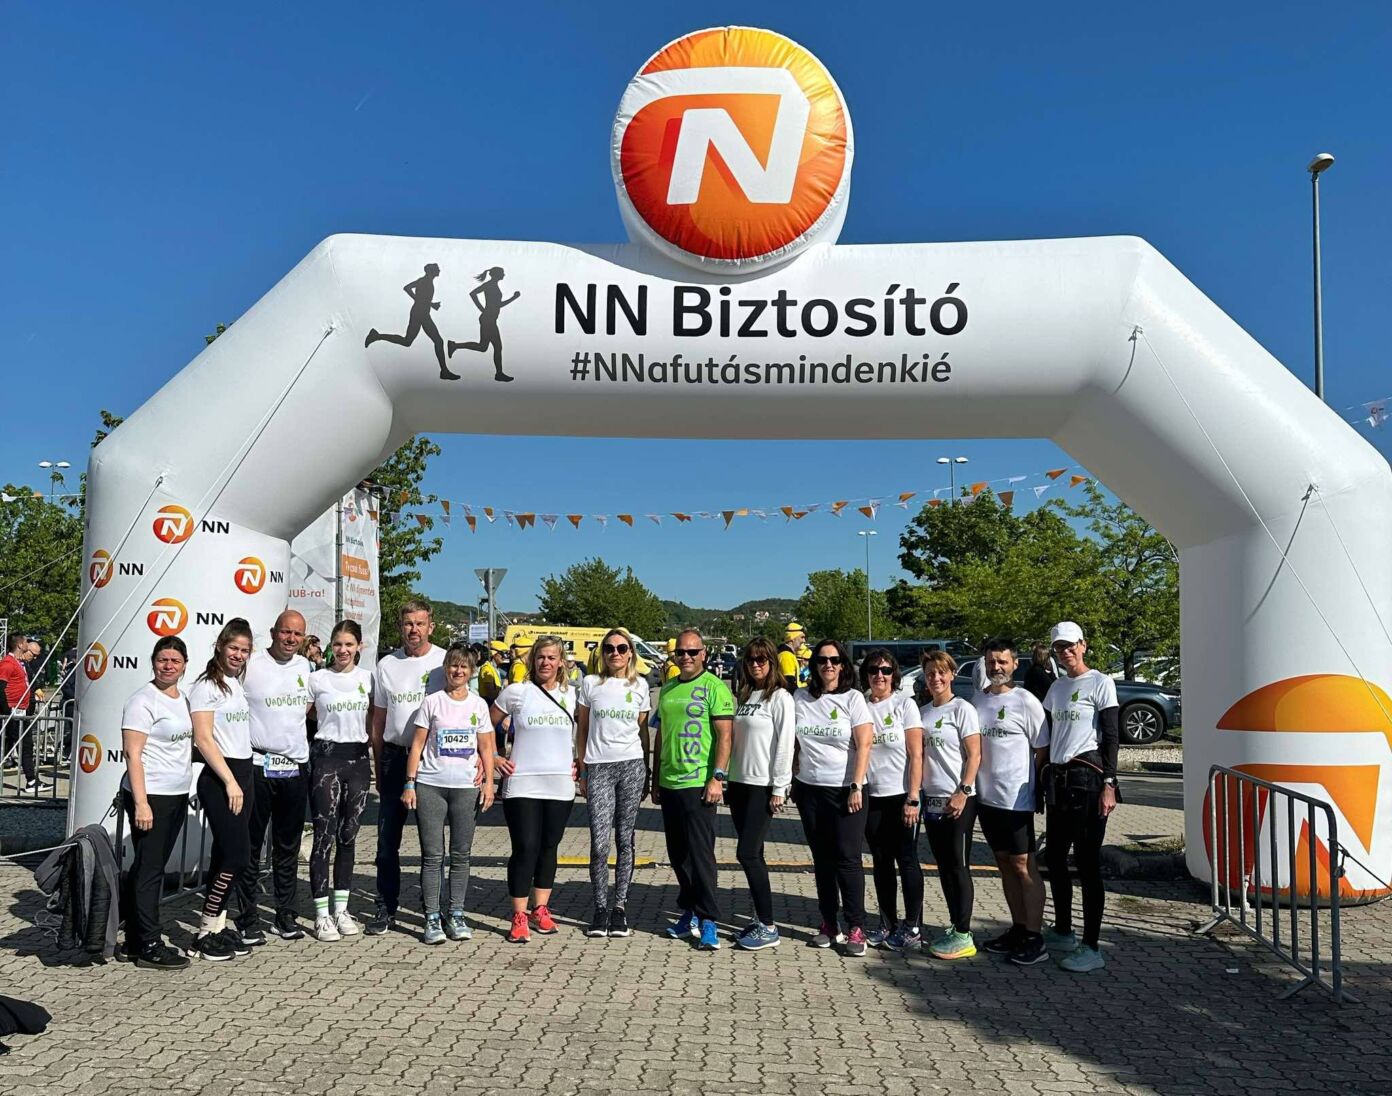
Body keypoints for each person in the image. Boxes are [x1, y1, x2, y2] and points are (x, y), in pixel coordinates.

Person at [1041, 621, 1121, 973]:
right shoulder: (1057, 687)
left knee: (1087, 863)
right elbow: (1048, 734)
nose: (1065, 652)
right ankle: (1063, 929)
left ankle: (1092, 946)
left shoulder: (1101, 682)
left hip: (1087, 779)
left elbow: (1111, 737)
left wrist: (1110, 783)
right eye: (1059, 647)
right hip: (1059, 780)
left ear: (1083, 645)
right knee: (1055, 857)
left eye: (1070, 645)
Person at [405, 645, 496, 945]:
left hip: (466, 788)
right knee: (433, 856)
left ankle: (456, 914)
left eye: (464, 667)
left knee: (461, 855)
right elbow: (417, 745)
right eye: (453, 666)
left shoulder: (478, 705)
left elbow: (486, 747)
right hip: (431, 785)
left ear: (471, 672)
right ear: (446, 668)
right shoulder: (432, 702)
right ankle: (432, 917)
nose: (458, 671)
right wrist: (410, 783)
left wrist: (489, 783)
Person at [490, 635, 578, 944]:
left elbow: (585, 732)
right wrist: (494, 756)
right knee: (525, 846)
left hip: (560, 783)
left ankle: (540, 909)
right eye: (541, 657)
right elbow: (485, 725)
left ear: (561, 662)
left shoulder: (572, 695)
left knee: (549, 846)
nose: (545, 662)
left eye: (552, 657)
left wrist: (580, 762)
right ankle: (518, 914)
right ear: (532, 660)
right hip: (522, 782)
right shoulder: (517, 692)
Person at [367, 599, 447, 935]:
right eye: (408, 623)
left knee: (433, 843)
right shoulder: (386, 665)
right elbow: (378, 720)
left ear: (431, 626)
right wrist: (378, 762)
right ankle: (385, 907)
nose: (414, 630)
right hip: (394, 757)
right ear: (400, 627)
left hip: (433, 760)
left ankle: (435, 910)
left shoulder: (443, 662)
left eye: (420, 623)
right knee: (387, 841)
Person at [651, 629, 732, 952]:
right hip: (670, 782)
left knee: (701, 855)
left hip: (699, 782)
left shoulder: (715, 687)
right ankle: (689, 912)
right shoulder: (668, 689)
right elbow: (660, 736)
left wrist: (717, 777)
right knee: (678, 854)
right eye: (680, 652)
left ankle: (709, 918)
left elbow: (725, 736)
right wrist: (655, 779)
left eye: (692, 652)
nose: (686, 657)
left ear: (704, 654)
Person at [971, 638, 1051, 966]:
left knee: (1023, 864)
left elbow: (1041, 748)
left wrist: (1032, 785)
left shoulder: (1026, 701)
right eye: (991, 662)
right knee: (1003, 863)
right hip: (986, 797)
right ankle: (1018, 928)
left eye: (1002, 661)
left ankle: (1035, 937)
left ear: (1015, 664)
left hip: (1015, 799)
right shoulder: (978, 700)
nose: (997, 667)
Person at [792, 639, 874, 956]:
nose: (828, 665)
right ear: (814, 664)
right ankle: (829, 923)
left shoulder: (853, 698)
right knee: (822, 859)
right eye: (823, 660)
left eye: (835, 660)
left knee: (848, 859)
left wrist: (856, 785)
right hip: (809, 789)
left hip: (845, 790)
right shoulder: (801, 698)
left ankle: (856, 927)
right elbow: (793, 740)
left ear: (843, 665)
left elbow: (864, 744)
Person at [238, 610, 314, 943]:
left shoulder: (306, 667)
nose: (290, 639)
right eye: (285, 632)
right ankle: (247, 916)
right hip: (258, 765)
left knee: (288, 846)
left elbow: (306, 709)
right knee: (251, 845)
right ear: (273, 632)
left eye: (297, 634)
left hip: (294, 768)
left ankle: (285, 914)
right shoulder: (251, 664)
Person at [120, 636, 194, 970]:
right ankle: (150, 944)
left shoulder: (183, 699)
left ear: (184, 665)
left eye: (175, 661)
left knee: (149, 867)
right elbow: (132, 754)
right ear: (153, 662)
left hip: (176, 794)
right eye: (163, 660)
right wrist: (141, 803)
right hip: (150, 795)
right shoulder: (142, 700)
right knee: (150, 871)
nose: (168, 666)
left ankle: (134, 938)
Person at [188, 619, 256, 961]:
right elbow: (203, 738)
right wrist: (229, 781)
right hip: (221, 777)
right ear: (220, 646)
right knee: (236, 856)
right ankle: (203, 932)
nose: (238, 655)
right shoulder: (206, 686)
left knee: (224, 855)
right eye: (233, 648)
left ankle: (217, 926)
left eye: (244, 650)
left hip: (244, 771)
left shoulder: (234, 683)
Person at [575, 628, 650, 938]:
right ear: (602, 653)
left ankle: (619, 907)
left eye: (621, 648)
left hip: (631, 765)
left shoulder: (641, 685)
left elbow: (643, 732)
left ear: (630, 652)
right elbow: (582, 728)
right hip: (599, 767)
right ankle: (600, 907)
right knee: (599, 842)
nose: (615, 653)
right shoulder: (591, 683)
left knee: (625, 839)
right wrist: (582, 768)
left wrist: (647, 770)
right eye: (609, 648)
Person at [305, 620, 374, 942]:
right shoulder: (317, 679)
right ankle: (321, 915)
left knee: (349, 835)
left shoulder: (368, 679)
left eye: (349, 644)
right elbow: (304, 715)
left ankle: (341, 909)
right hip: (326, 759)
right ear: (330, 647)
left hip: (358, 760)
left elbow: (374, 719)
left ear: (359, 646)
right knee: (324, 836)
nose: (343, 650)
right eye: (337, 644)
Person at [727, 635, 794, 951]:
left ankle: (768, 925)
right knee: (756, 854)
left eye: (762, 659)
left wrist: (780, 786)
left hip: (762, 786)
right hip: (738, 784)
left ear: (772, 662)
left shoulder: (780, 698)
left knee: (747, 853)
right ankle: (758, 919)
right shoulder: (745, 695)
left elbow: (785, 743)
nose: (755, 664)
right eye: (751, 659)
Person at [918, 650, 982, 960]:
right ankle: (955, 926)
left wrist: (963, 791)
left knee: (958, 865)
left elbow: (975, 754)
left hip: (958, 800)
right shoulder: (922, 712)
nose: (936, 678)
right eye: (931, 673)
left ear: (952, 674)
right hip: (932, 800)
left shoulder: (962, 709)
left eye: (942, 672)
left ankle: (964, 933)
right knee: (943, 866)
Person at [860, 649, 925, 951]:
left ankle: (913, 927)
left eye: (886, 670)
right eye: (874, 670)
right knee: (881, 862)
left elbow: (916, 754)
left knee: (907, 859)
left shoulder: (904, 704)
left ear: (894, 675)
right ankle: (888, 923)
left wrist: (913, 797)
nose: (879, 675)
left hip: (901, 795)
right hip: (872, 796)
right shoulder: (860, 704)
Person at [365, 262, 458, 380]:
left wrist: (430, 304)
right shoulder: (424, 281)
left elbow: (418, 295)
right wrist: (425, 303)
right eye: (437, 269)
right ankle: (444, 371)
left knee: (408, 341)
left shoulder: (426, 281)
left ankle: (377, 336)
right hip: (420, 314)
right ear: (431, 271)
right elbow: (407, 288)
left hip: (421, 313)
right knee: (437, 341)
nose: (439, 270)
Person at [446, 266, 519, 382]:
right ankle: (499, 374)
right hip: (488, 320)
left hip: (489, 319)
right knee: (497, 347)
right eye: (502, 273)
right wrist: (482, 309)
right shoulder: (490, 285)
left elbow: (497, 304)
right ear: (497, 275)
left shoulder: (493, 285)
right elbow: (473, 294)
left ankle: (454, 345)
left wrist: (513, 298)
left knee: (483, 347)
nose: (504, 275)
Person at [0, 634, 44, 792]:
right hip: (12, 712)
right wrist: (7, 711)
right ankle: (31, 780)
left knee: (25, 745)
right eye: (26, 642)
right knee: (9, 746)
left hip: (21, 711)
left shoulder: (20, 663)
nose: (28, 643)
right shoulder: (8, 663)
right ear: (19, 645)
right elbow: (1, 688)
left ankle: (31, 780)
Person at [777, 622, 807, 690]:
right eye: (802, 637)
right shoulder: (786, 656)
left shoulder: (788, 654)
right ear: (792, 638)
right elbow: (789, 684)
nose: (804, 641)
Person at [478, 641, 507, 705]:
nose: (505, 656)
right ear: (494, 654)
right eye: (502, 653)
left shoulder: (495, 668)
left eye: (506, 653)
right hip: (489, 705)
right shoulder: (487, 669)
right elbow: (491, 695)